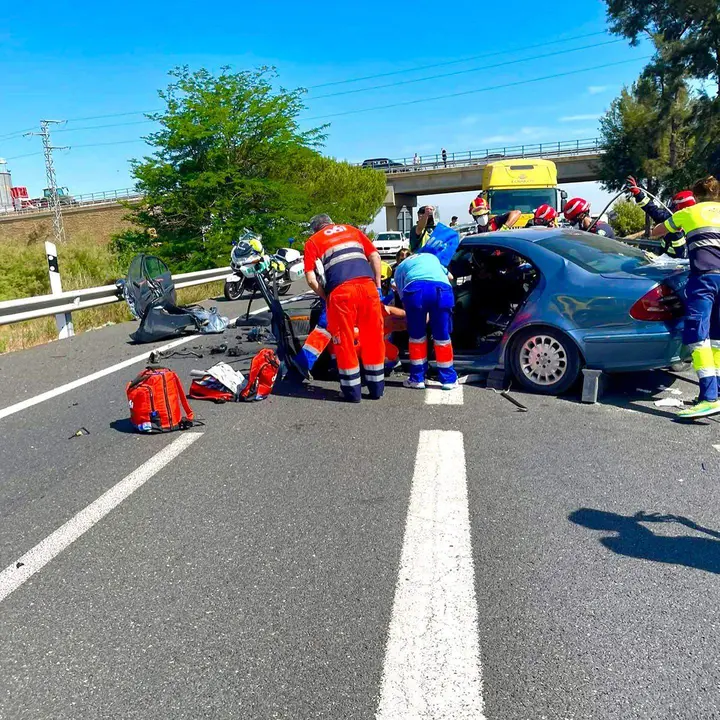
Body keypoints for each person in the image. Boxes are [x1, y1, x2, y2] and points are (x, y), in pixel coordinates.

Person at [652, 176, 720, 419]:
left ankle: (709, 397)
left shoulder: (689, 212)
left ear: (696, 196)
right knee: (716, 337)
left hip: (705, 279)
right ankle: (716, 391)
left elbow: (657, 231)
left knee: (697, 335)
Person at [303, 214, 385, 402]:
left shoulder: (313, 241)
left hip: (341, 292)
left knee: (344, 340)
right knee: (373, 337)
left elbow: (310, 278)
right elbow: (374, 256)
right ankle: (376, 389)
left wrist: (326, 297)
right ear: (331, 223)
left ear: (316, 228)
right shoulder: (352, 230)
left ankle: (352, 393)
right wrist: (378, 286)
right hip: (368, 287)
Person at [394, 248, 458, 391]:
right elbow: (451, 277)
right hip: (441, 290)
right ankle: (448, 380)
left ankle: (417, 379)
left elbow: (402, 295)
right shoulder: (432, 258)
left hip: (415, 291)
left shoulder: (400, 268)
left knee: (417, 337)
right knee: (442, 337)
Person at [625, 176, 691, 258]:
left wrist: (677, 233)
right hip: (664, 260)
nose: (670, 209)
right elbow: (653, 210)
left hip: (680, 266)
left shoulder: (692, 226)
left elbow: (684, 256)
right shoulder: (670, 217)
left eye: (674, 207)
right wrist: (638, 193)